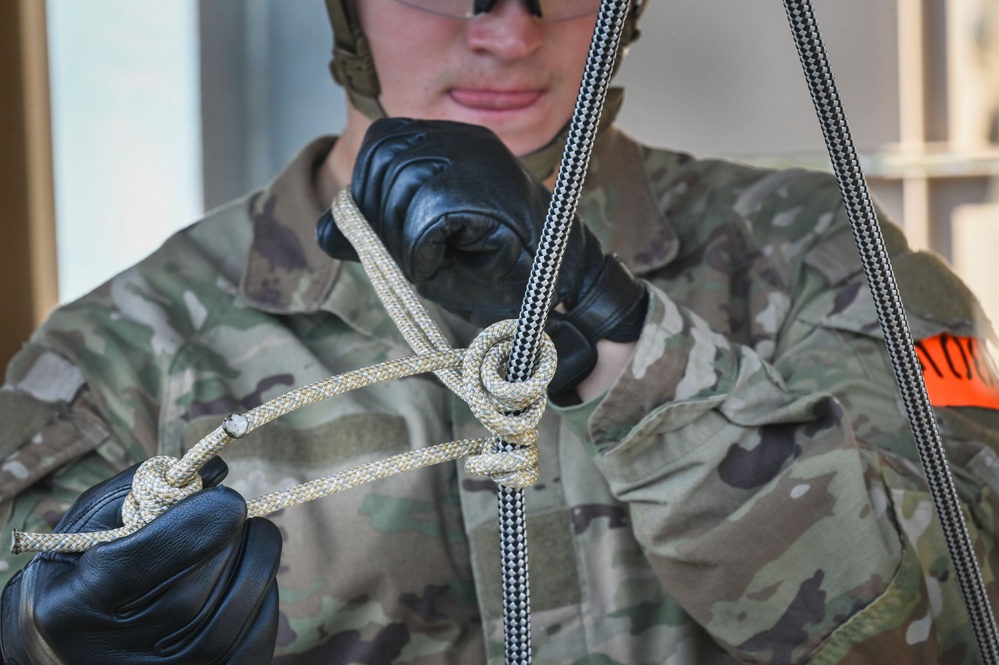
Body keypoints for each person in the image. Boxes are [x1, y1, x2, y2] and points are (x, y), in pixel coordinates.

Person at [3, 0, 999, 662]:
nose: (509, 33)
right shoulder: (124, 352)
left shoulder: (820, 255)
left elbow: (956, 625)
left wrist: (616, 331)